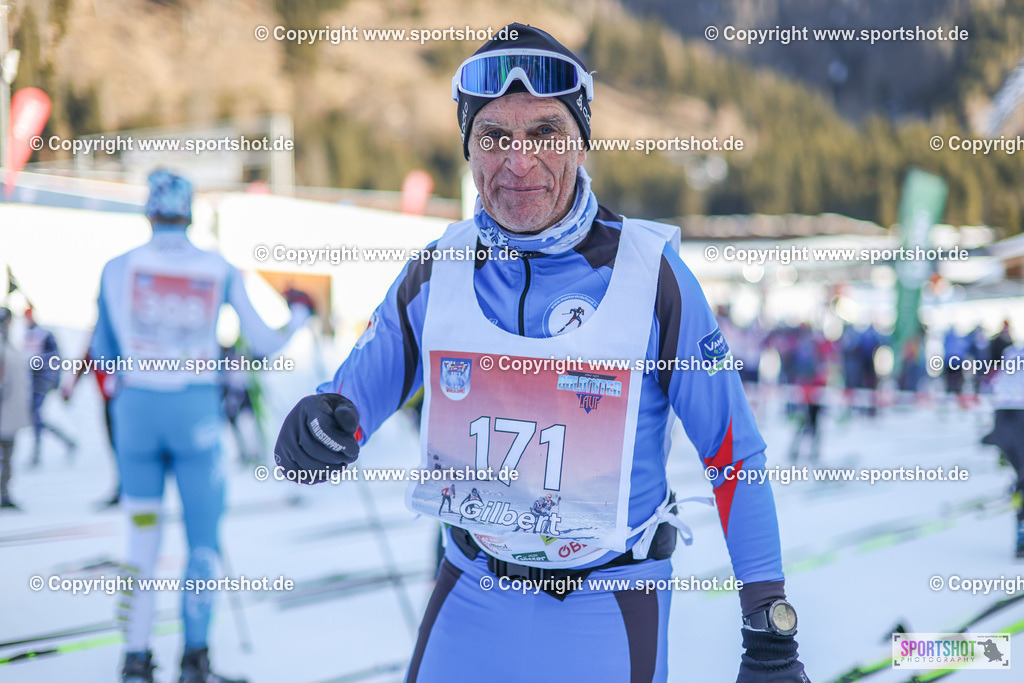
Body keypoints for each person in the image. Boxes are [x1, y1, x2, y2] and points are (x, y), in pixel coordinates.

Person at [274, 24, 809, 683]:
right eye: (494, 135)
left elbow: (732, 452)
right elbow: (348, 401)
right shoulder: (437, 271)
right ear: (468, 147)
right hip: (471, 596)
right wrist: (316, 428)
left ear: (581, 143)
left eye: (545, 133)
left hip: (607, 608)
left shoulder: (653, 275)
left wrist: (769, 630)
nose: (518, 162)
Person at [91, 170, 313, 683]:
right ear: (189, 212)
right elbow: (263, 343)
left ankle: (135, 660)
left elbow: (102, 352)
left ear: (149, 211)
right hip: (195, 418)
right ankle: (194, 661)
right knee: (203, 543)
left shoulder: (115, 268)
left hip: (137, 416)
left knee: (140, 541)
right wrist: (299, 314)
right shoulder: (218, 267)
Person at [982, 334, 1024, 558]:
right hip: (1020, 418)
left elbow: (990, 383)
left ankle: (1018, 495)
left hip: (1002, 419)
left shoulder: (1011, 353)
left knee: (1022, 476)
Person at [23, 307, 76, 465]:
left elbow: (55, 358)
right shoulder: (27, 335)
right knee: (35, 417)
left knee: (36, 416)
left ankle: (38, 454)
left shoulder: (44, 335)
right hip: (32, 381)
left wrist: (50, 377)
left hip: (43, 382)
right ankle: (67, 442)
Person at [1, 307, 33, 510]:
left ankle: (4, 492)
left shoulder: (9, 343)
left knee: (7, 455)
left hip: (9, 411)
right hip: (3, 410)